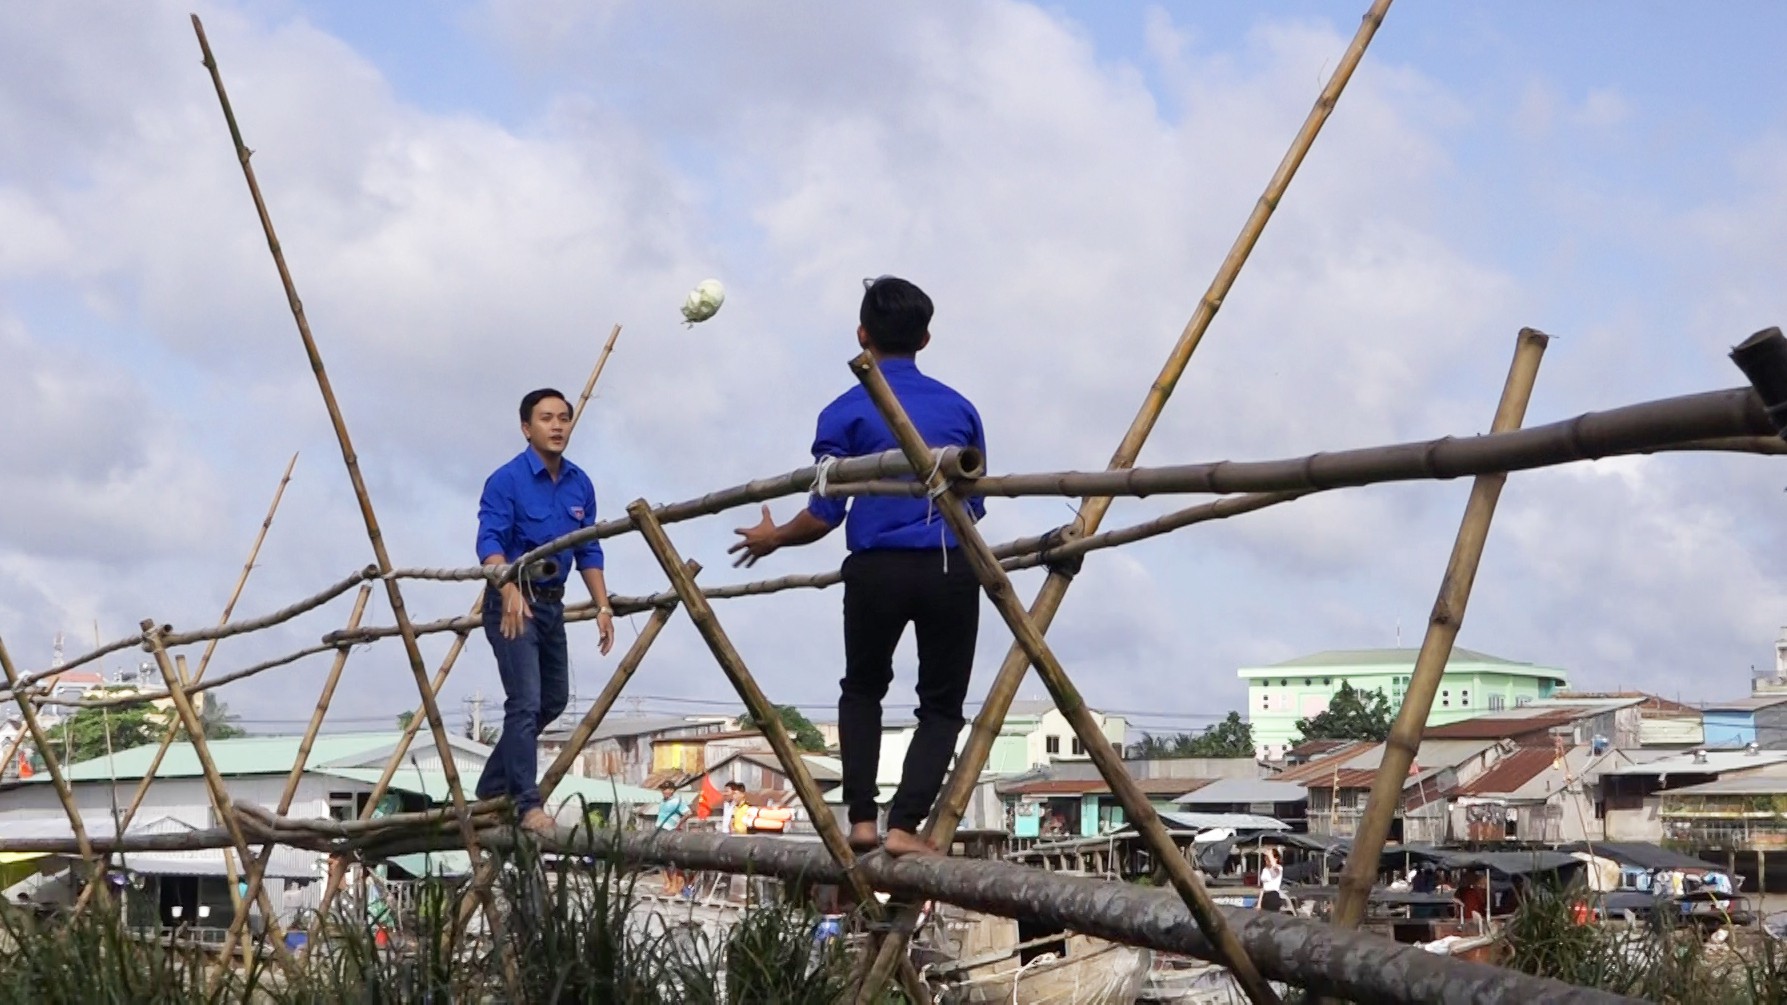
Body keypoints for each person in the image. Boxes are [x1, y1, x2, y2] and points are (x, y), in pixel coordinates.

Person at [730, 276, 986, 859]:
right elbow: (973, 503)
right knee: (940, 706)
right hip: (948, 567)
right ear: (925, 337)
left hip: (875, 571)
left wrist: (773, 539)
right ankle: (907, 825)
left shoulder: (843, 412)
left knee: (863, 690)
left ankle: (865, 821)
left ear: (861, 335)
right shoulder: (959, 408)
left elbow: (823, 514)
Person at [474, 388, 616, 836]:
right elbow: (489, 544)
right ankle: (525, 802)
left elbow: (588, 547)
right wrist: (507, 584)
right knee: (525, 701)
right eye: (546, 419)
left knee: (553, 699)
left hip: (552, 604)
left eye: (564, 419)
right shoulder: (506, 480)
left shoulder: (580, 483)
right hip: (513, 606)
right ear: (526, 428)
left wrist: (603, 605)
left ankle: (495, 782)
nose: (557, 426)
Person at [657, 783, 691, 895]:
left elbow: (688, 813)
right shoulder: (662, 801)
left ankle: (676, 884)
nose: (664, 791)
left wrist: (679, 824)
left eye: (666, 789)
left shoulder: (677, 801)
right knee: (661, 859)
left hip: (671, 831)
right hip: (660, 830)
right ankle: (668, 882)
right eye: (663, 789)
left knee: (673, 859)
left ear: (672, 790)